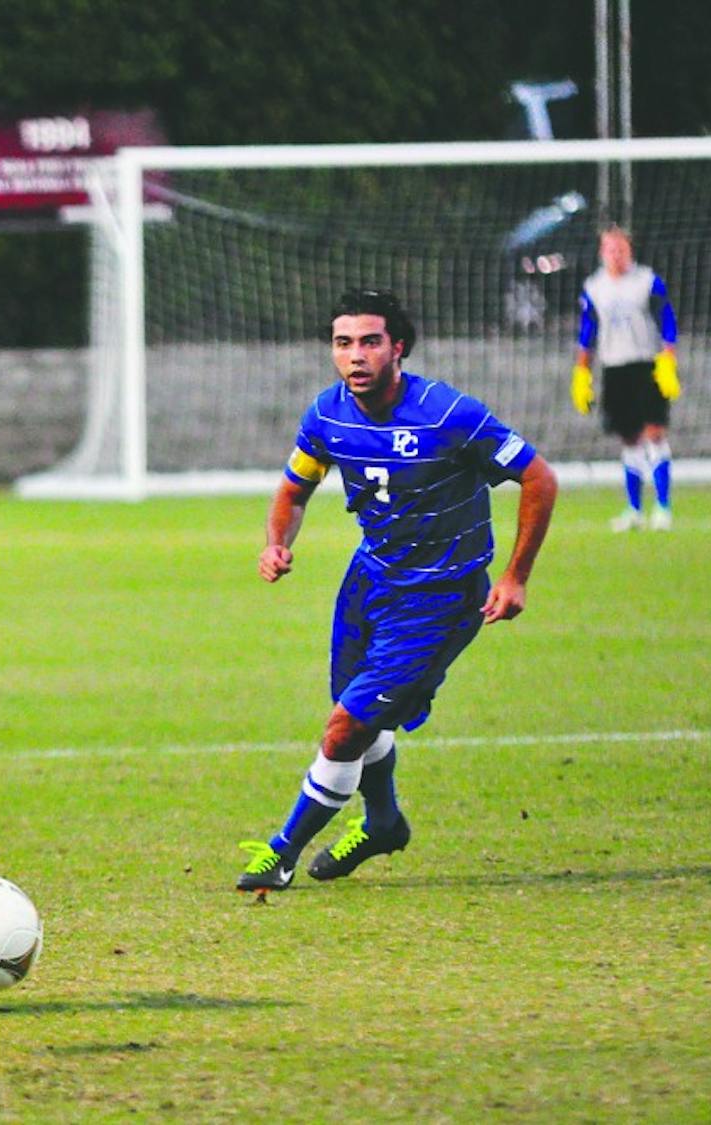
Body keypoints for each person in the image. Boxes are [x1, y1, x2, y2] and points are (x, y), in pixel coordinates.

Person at [236, 289, 557, 893]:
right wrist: (277, 542)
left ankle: (280, 854)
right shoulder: (327, 414)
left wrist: (516, 576)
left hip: (441, 598)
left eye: (369, 342)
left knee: (344, 728)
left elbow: (538, 477)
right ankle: (383, 821)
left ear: (398, 348)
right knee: (357, 721)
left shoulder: (448, 414)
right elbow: (293, 490)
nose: (355, 356)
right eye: (343, 343)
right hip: (369, 580)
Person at [572, 226, 680, 531]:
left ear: (629, 250)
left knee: (655, 434)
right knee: (629, 438)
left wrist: (669, 356)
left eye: (621, 249)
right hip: (614, 367)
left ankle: (663, 507)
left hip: (646, 365)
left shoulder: (647, 281)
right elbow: (588, 330)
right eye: (610, 249)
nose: (616, 255)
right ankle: (634, 509)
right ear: (601, 252)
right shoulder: (594, 287)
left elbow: (666, 319)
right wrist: (582, 371)